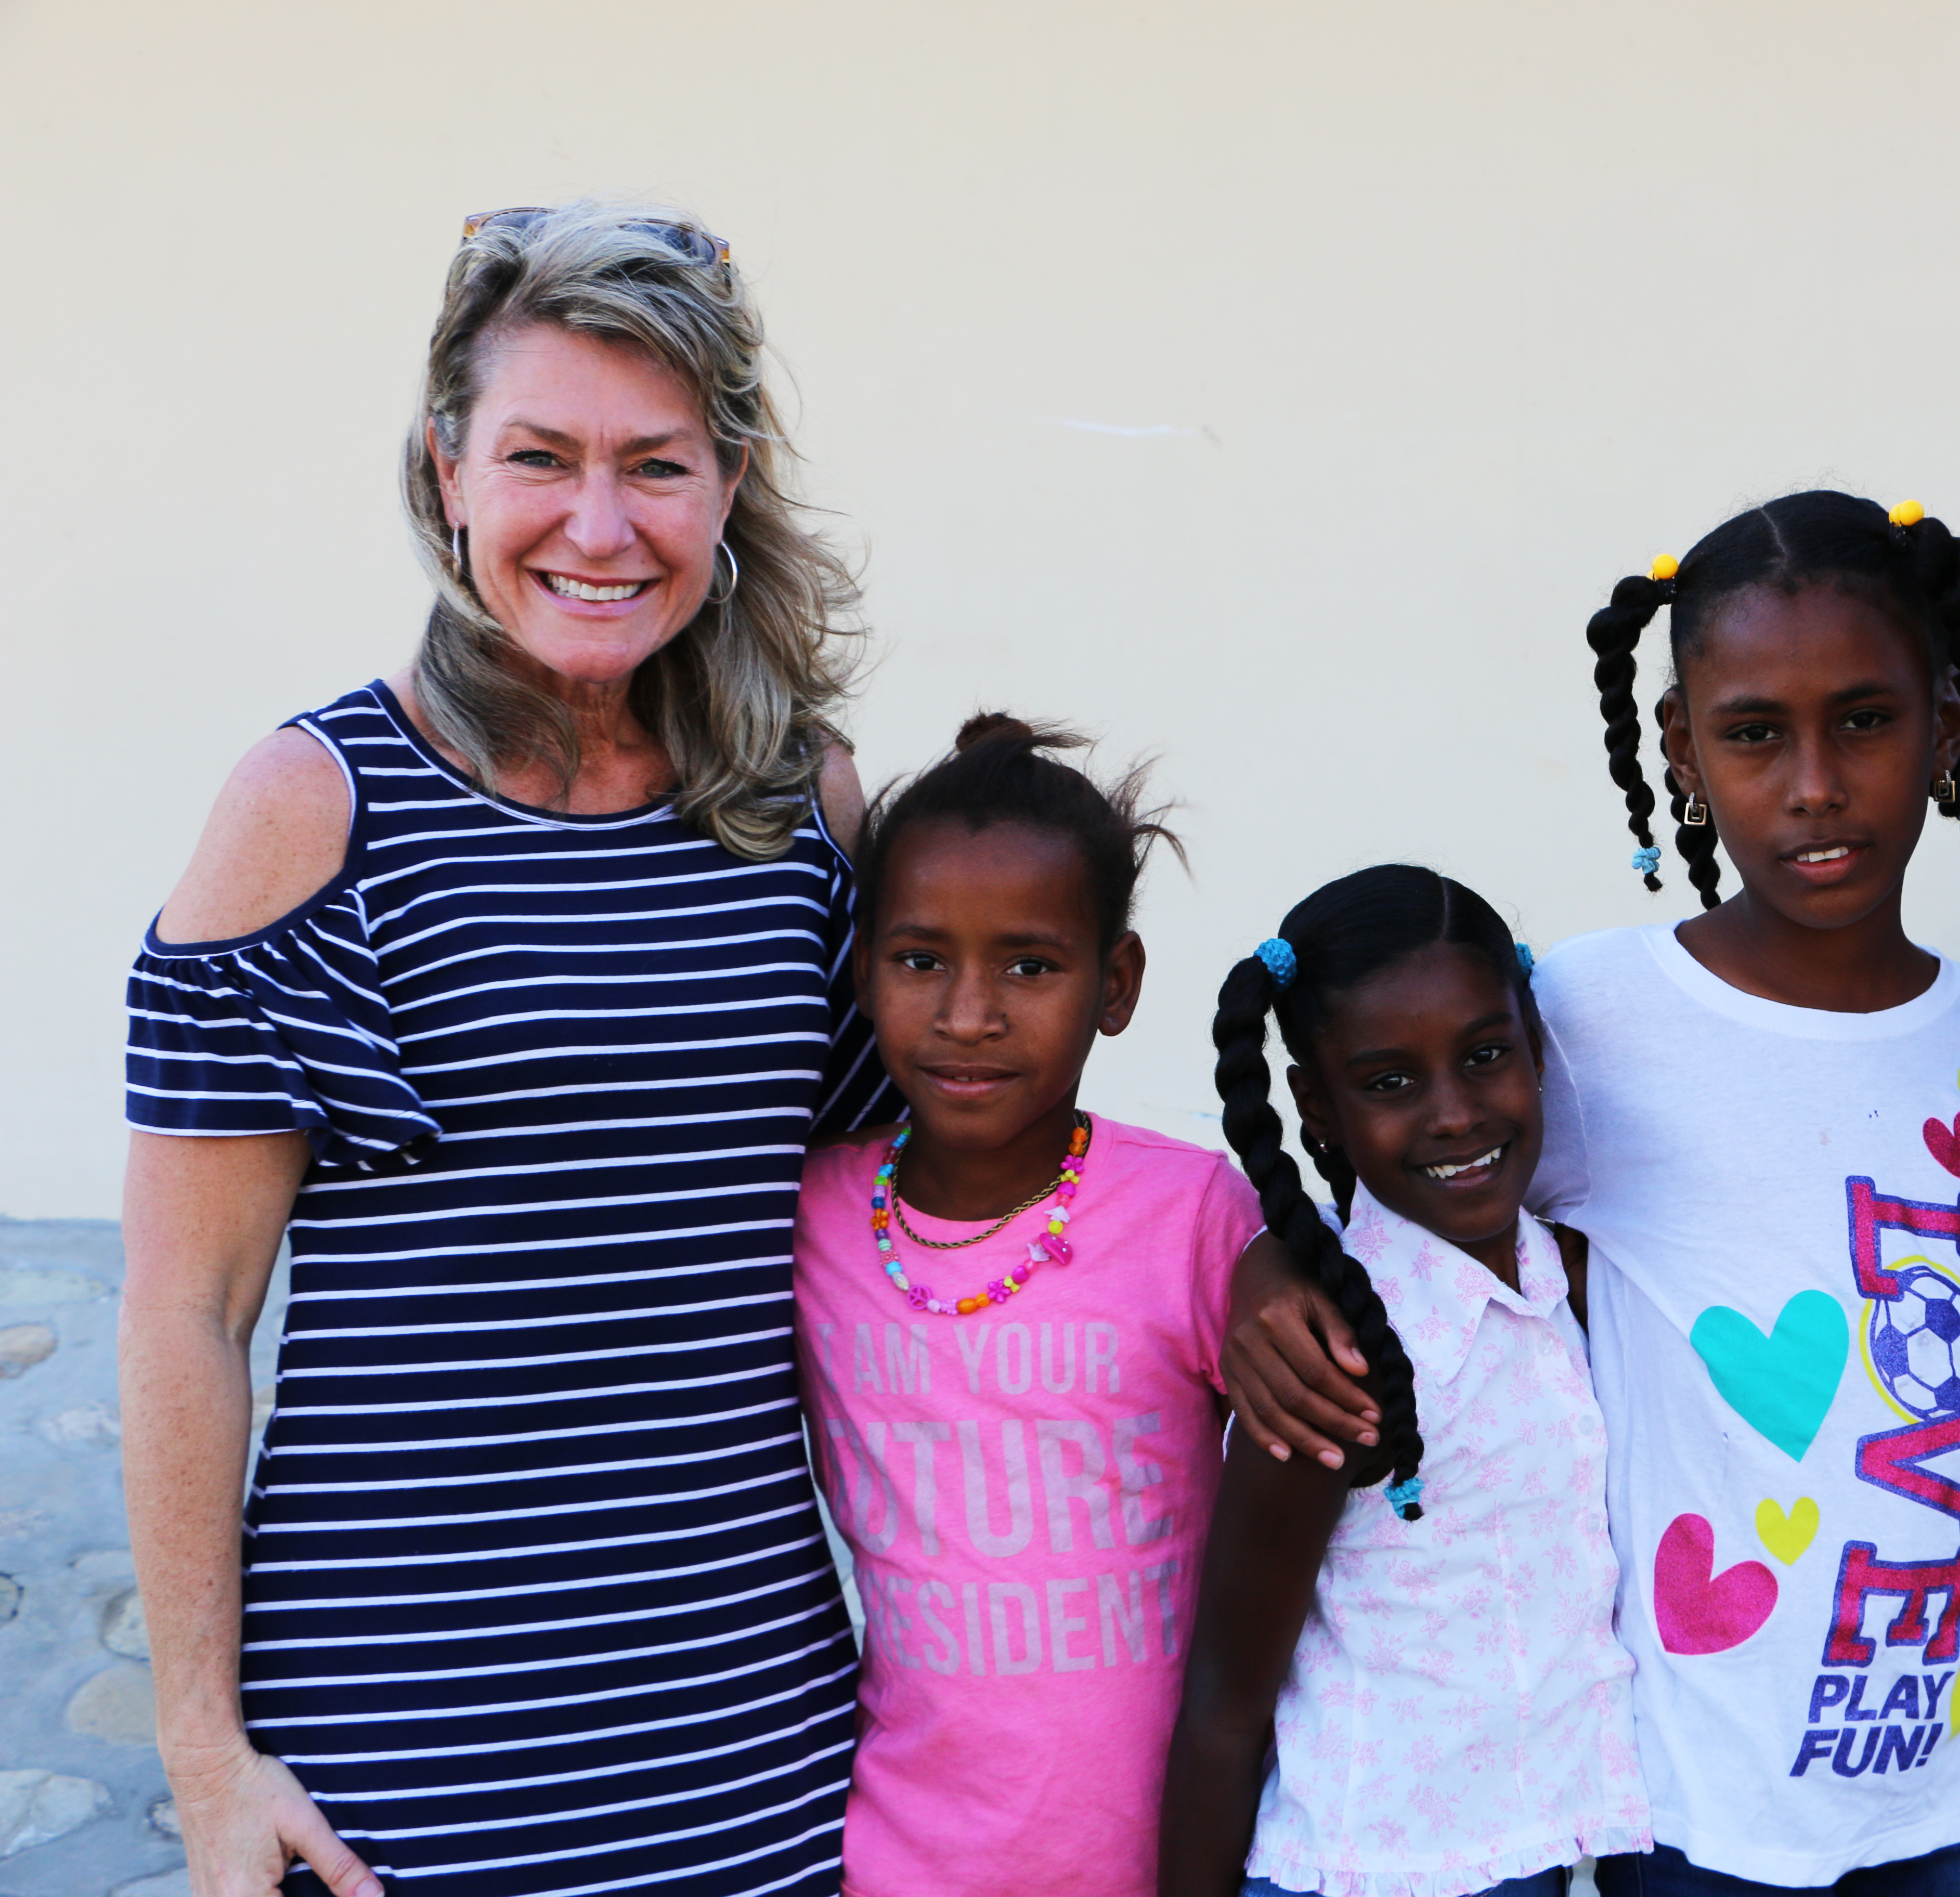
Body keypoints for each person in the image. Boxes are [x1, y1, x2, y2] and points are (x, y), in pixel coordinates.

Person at [120, 200, 884, 1897]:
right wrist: (205, 1758)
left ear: (731, 478)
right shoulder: (310, 809)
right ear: (445, 468)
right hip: (397, 1783)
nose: (599, 526)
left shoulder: (803, 808)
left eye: (657, 465)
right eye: (541, 455)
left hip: (757, 1763)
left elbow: (872, 1245)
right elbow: (186, 1306)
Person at [1227, 492, 1960, 1897]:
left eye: (1867, 720)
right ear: (1683, 754)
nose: (1815, 783)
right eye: (1756, 733)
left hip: (1945, 1803)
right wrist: (1266, 1270)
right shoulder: (1588, 1019)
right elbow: (1408, 1190)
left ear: (1947, 726)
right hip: (1688, 1809)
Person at [790, 714, 1263, 1897]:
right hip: (899, 1859)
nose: (969, 1014)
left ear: (1118, 985)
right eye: (919, 961)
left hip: (1171, 1857)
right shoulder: (817, 1218)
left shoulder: (1193, 1213)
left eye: (1031, 966)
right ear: (862, 971)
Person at [1161, 865, 1651, 1897]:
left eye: (1486, 1058)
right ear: (1318, 1108)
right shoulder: (1334, 1364)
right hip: (1361, 1869)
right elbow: (1225, 1703)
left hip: (1531, 1860)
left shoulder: (1575, 1281)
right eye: (1389, 1081)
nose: (1455, 1115)